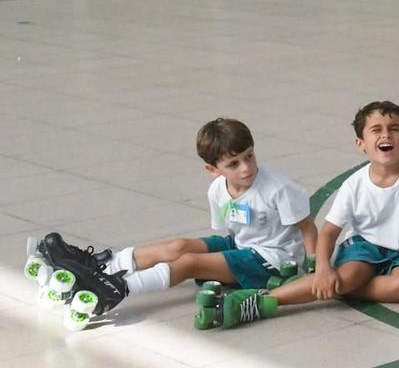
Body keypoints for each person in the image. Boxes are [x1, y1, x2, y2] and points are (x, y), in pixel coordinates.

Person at [177, 103, 399, 329]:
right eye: (376, 130)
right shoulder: (354, 184)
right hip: (364, 247)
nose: (386, 135)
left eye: (394, 129)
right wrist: (322, 268)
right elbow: (329, 232)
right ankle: (260, 302)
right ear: (360, 143)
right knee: (349, 275)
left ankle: (303, 286)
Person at [30, 118, 316, 325]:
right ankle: (103, 265)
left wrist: (315, 267)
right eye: (234, 164)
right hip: (244, 244)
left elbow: (307, 228)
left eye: (249, 156)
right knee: (179, 245)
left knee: (189, 263)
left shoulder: (277, 188)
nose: (246, 167)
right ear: (212, 169)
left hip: (272, 259)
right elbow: (231, 232)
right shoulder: (217, 190)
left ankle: (117, 289)